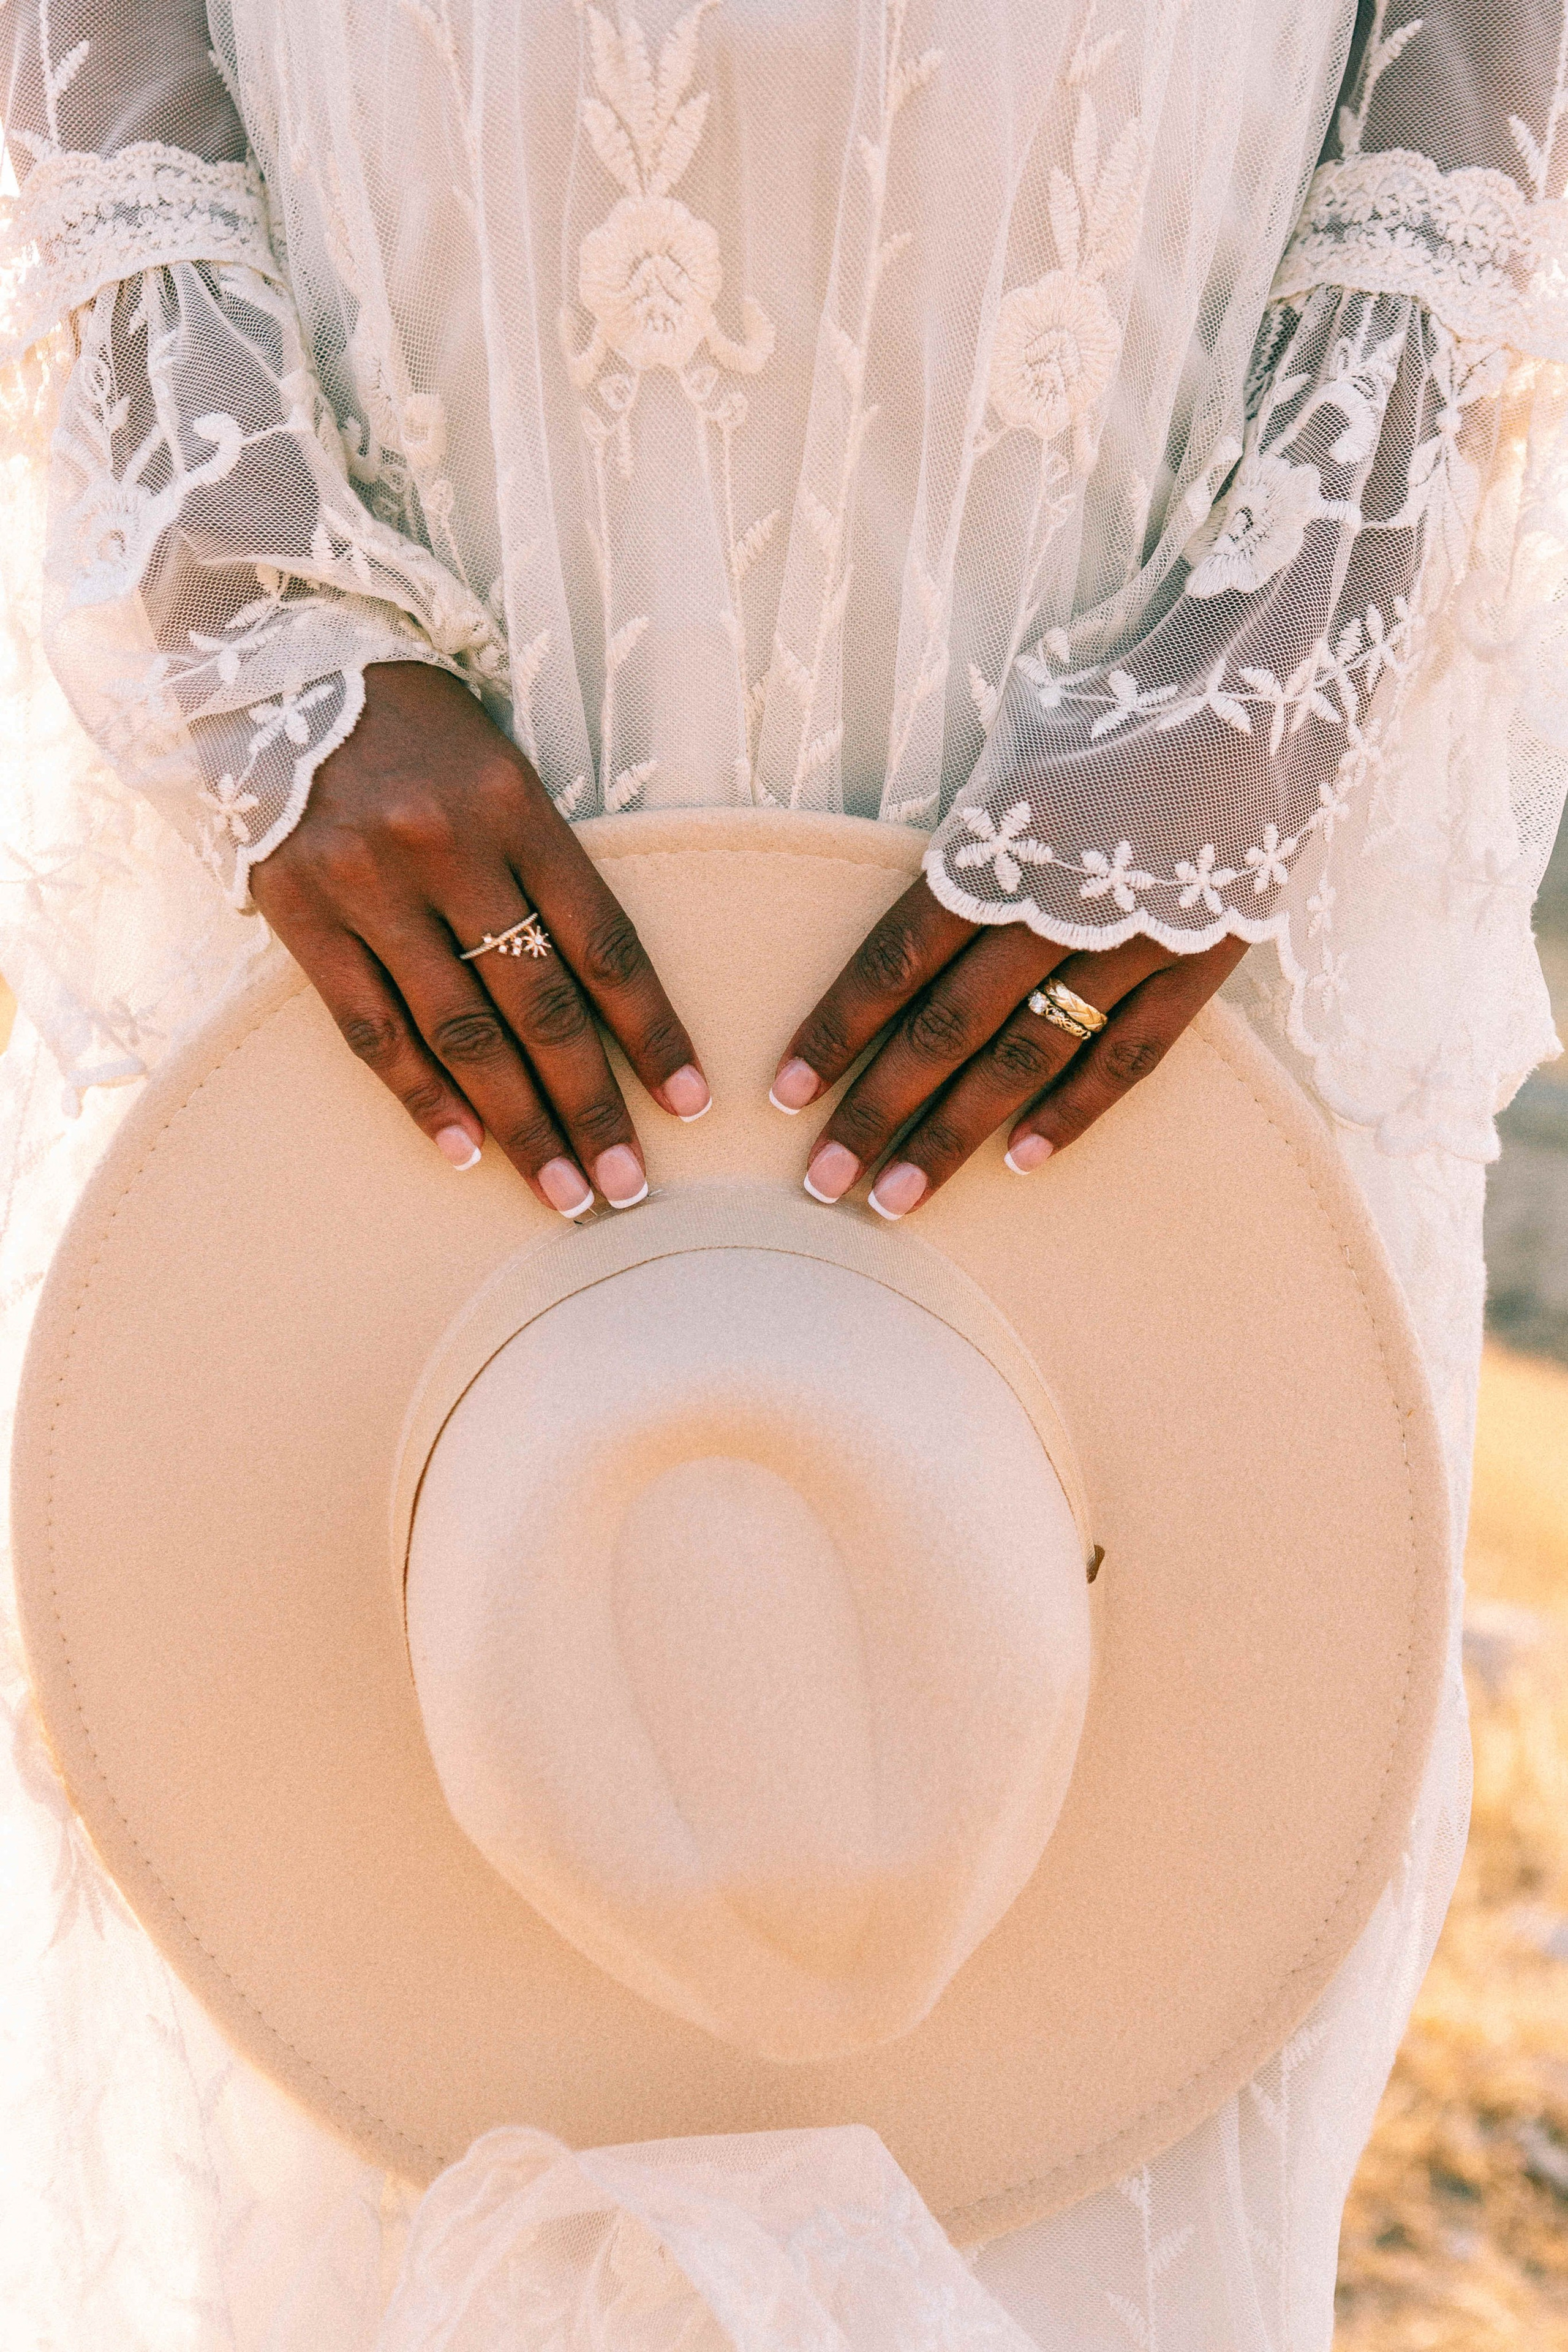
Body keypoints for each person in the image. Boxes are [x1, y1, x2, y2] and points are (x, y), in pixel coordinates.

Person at [0, 0, 1563, 2341]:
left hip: (1118, 382)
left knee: (1049, 1889)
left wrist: (1281, 640)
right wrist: (241, 575)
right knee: (340, 2016)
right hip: (413, 319)